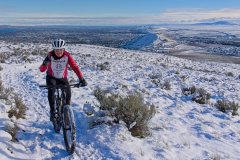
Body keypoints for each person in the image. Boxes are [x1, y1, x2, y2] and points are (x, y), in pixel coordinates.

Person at [39, 38, 87, 121]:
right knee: (51, 90)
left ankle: (67, 110)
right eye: (56, 50)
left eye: (60, 50)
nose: (59, 52)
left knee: (68, 92)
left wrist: (81, 78)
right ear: (53, 49)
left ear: (63, 49)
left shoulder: (67, 56)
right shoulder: (50, 55)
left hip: (62, 78)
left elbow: (75, 67)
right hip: (51, 77)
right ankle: (53, 111)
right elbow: (42, 70)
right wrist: (44, 64)